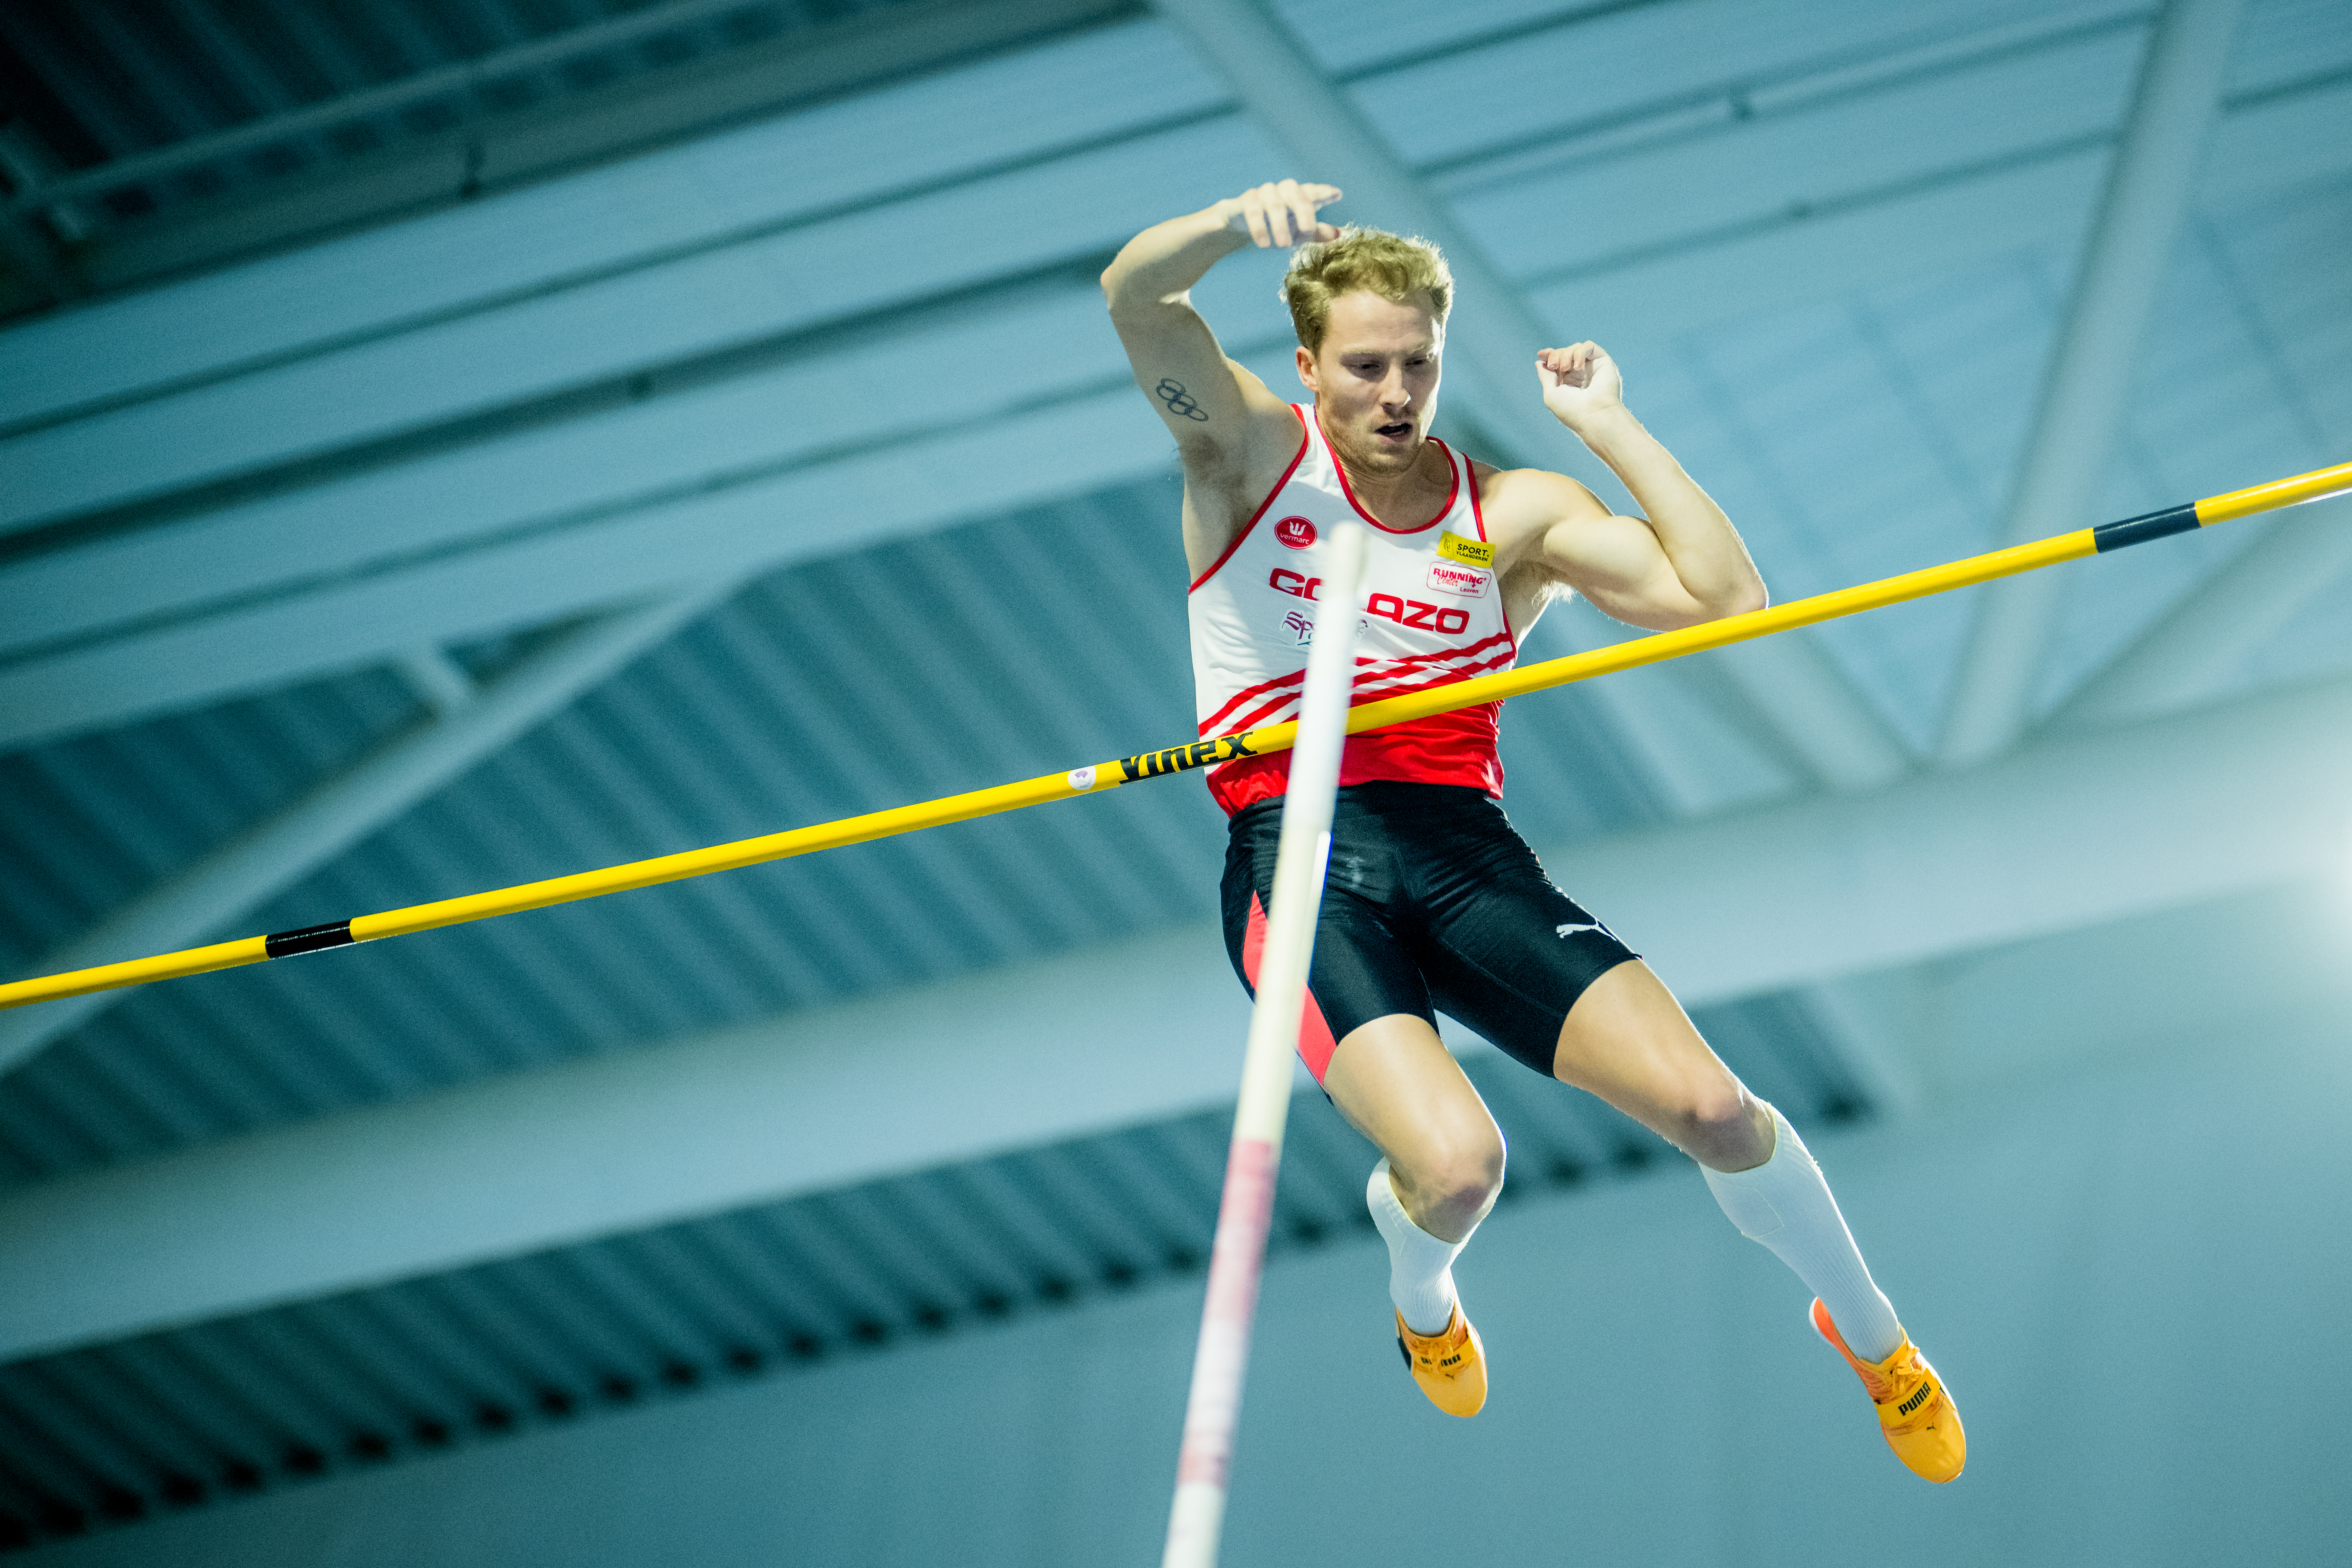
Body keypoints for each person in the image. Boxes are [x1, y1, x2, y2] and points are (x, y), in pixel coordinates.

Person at [1100, 179, 1962, 1483]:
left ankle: (1877, 1338)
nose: (1395, 393)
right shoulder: (1246, 455)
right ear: (1307, 367)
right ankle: (1424, 1299)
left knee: (1716, 1109)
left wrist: (1609, 425)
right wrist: (1230, 224)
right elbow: (1133, 298)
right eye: (1366, 367)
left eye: (1420, 365)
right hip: (1298, 862)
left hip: (1465, 855)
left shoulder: (1512, 515)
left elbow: (1725, 600)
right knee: (1456, 1171)